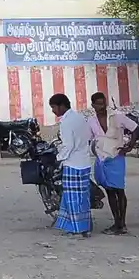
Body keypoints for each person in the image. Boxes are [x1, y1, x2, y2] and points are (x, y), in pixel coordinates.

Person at [90, 91, 137, 235]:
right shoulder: (91, 121)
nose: (101, 106)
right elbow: (88, 138)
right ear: (93, 105)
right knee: (109, 191)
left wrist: (129, 146)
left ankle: (122, 224)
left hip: (116, 157)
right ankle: (117, 223)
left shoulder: (117, 116)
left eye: (103, 103)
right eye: (98, 104)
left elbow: (135, 128)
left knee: (119, 190)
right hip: (102, 159)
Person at [49, 92, 94, 237]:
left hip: (73, 164)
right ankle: (85, 227)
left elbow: (68, 145)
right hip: (84, 162)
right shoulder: (80, 118)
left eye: (54, 107)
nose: (53, 111)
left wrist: (58, 158)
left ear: (62, 106)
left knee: (72, 199)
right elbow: (88, 137)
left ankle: (77, 230)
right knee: (83, 198)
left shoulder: (66, 122)